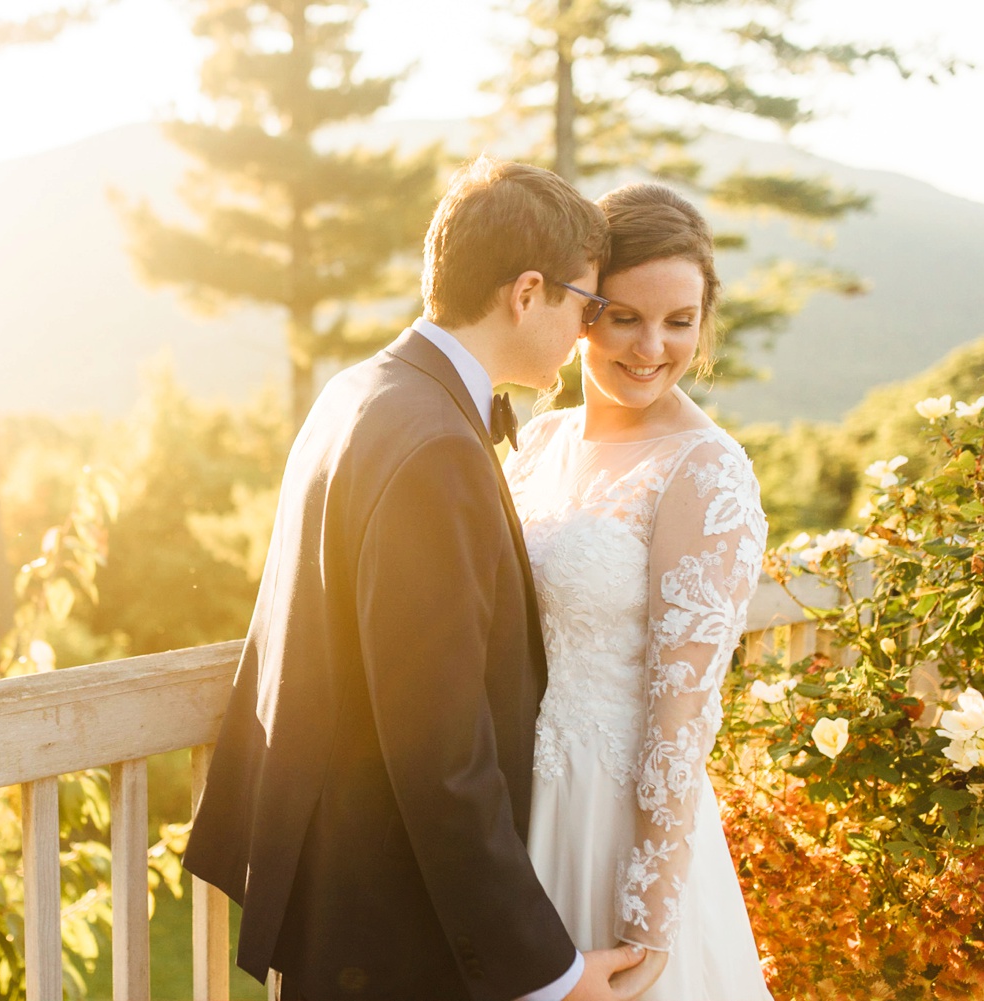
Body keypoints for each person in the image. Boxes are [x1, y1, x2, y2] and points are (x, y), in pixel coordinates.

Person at [183, 154, 648, 1001]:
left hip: (342, 890)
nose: (587, 333)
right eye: (585, 304)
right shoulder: (435, 444)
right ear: (527, 291)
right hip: (393, 923)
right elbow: (440, 752)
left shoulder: (359, 389)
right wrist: (550, 971)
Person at [503, 182, 774, 1000]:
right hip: (515, 808)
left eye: (680, 321)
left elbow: (680, 715)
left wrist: (651, 906)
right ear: (580, 309)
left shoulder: (705, 470)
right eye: (625, 316)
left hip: (615, 827)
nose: (652, 346)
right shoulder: (539, 442)